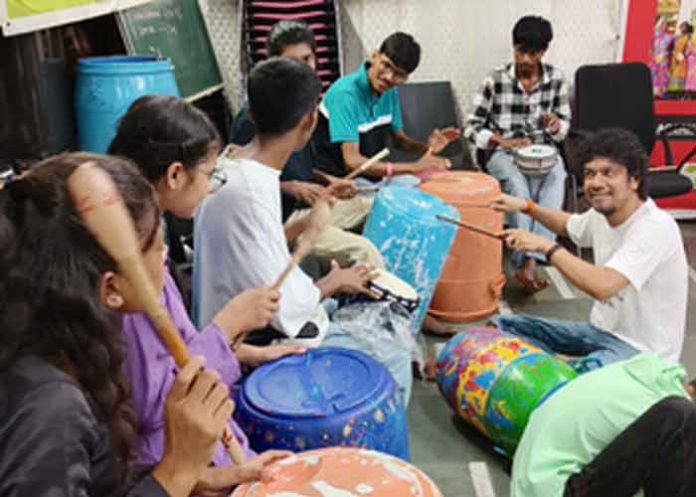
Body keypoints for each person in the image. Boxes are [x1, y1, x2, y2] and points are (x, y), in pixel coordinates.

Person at [0, 153, 286, 497]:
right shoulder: (50, 409)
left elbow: (96, 479)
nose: (165, 255)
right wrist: (174, 474)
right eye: (156, 245)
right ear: (111, 289)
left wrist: (192, 480)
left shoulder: (69, 344)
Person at [194, 57, 413, 403]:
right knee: (393, 352)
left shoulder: (231, 164)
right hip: (251, 343)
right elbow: (284, 302)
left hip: (222, 324)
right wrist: (335, 281)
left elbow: (253, 248)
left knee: (347, 309)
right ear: (311, 120)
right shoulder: (255, 189)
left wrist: (303, 225)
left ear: (251, 114)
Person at [108, 95, 304, 469]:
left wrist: (245, 353)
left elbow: (173, 347)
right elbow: (154, 406)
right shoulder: (128, 274)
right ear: (175, 175)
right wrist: (228, 323)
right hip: (170, 460)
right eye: (210, 174)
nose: (212, 188)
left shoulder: (146, 235)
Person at [491, 128, 687, 366]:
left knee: (570, 379)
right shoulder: (601, 214)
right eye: (590, 174)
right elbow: (568, 226)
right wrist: (527, 206)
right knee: (502, 327)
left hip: (642, 354)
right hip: (601, 334)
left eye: (608, 173)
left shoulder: (654, 227)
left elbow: (603, 286)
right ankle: (558, 366)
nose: (595, 183)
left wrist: (547, 247)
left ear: (634, 180)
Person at [228, 20, 384, 268]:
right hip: (283, 221)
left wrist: (327, 181)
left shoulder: (304, 110)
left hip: (309, 206)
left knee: (380, 205)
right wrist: (291, 187)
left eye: (308, 59)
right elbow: (238, 175)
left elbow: (299, 165)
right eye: (294, 62)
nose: (305, 69)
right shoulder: (256, 115)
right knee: (365, 252)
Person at [464, 15, 570, 292]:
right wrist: (500, 141)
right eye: (519, 51)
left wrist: (556, 125)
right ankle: (524, 259)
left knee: (557, 178)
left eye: (531, 53)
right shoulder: (495, 79)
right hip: (503, 153)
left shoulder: (556, 80)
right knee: (519, 188)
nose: (524, 59)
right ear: (513, 47)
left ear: (543, 52)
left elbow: (563, 129)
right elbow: (471, 127)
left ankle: (531, 261)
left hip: (543, 152)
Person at [511, 353, 696, 497]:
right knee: (679, 420)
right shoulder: (670, 417)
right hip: (556, 490)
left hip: (536, 482)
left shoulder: (647, 373)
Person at [313, 31, 459, 180]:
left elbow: (400, 141)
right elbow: (352, 161)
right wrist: (413, 168)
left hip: (369, 180)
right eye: (386, 65)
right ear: (375, 55)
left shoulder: (389, 91)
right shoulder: (345, 93)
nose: (389, 77)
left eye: (399, 74)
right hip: (337, 183)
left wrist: (429, 148)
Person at [667, 21, 692, 93]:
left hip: (683, 58)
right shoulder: (677, 37)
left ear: (687, 28)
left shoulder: (689, 37)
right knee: (674, 72)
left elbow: (689, 47)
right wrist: (673, 53)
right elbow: (670, 47)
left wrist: (683, 55)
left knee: (681, 73)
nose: (682, 28)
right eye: (681, 27)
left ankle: (679, 91)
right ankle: (672, 90)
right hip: (675, 57)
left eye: (684, 27)